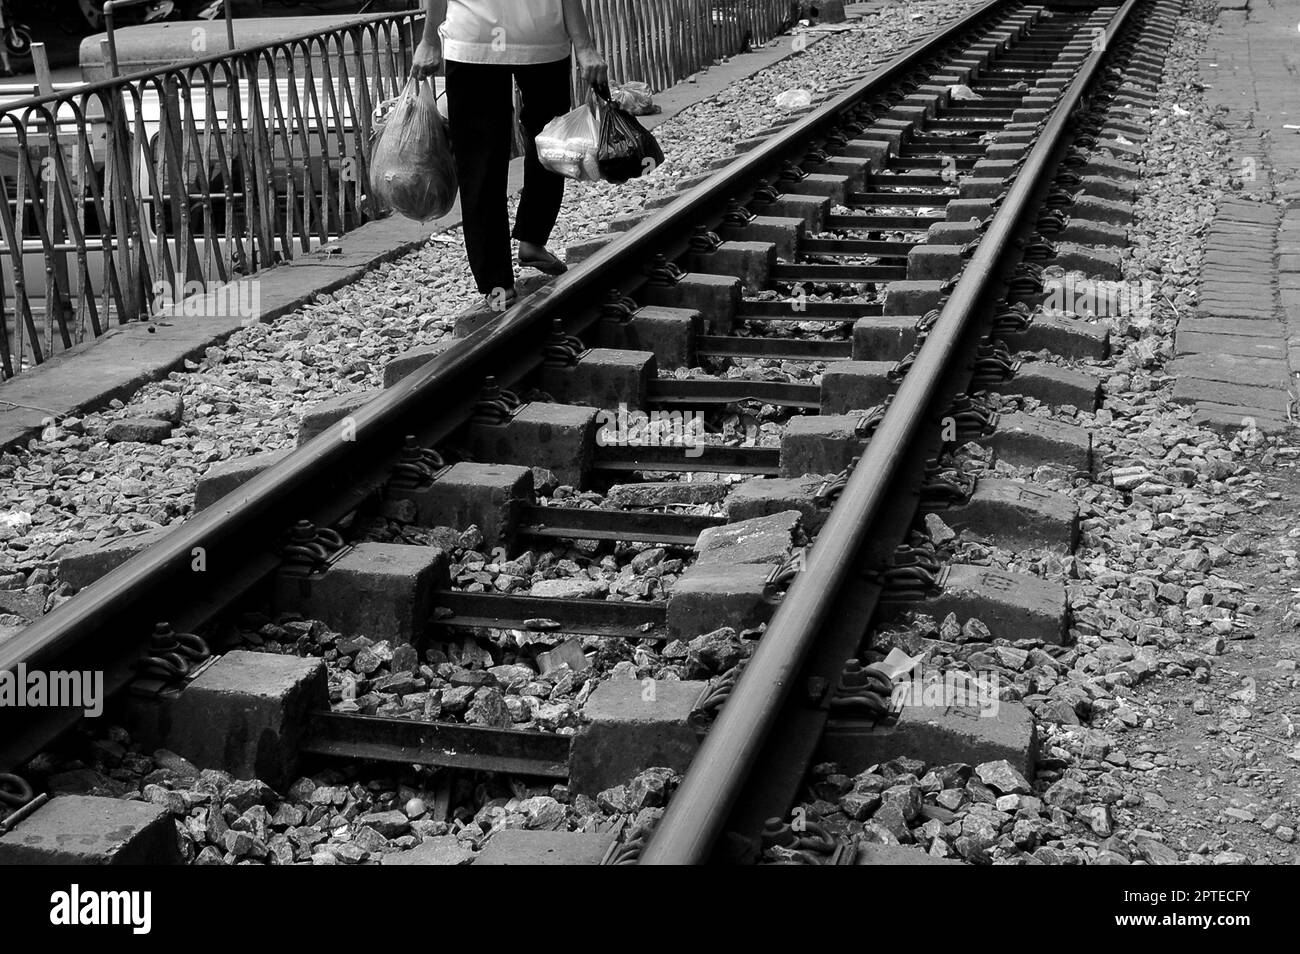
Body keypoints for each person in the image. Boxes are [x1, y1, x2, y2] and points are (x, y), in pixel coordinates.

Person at [411, 1, 608, 310]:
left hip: (535, 40)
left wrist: (584, 47)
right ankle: (497, 280)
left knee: (552, 148)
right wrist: (429, 40)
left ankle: (530, 241)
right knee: (485, 162)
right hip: (484, 40)